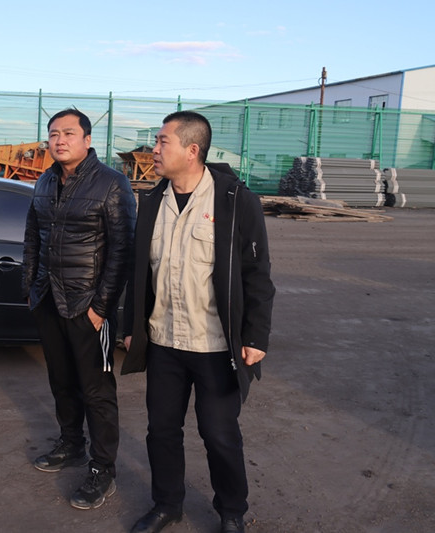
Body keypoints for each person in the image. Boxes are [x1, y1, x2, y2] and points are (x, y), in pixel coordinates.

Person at [122, 111, 275, 533]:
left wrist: (256, 335)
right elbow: (139, 272)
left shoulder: (235, 201)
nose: (154, 150)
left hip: (216, 345)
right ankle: (167, 504)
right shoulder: (152, 202)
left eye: (162, 142)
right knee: (161, 431)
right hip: (164, 343)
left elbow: (257, 275)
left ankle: (232, 512)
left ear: (192, 150)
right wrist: (132, 326)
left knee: (219, 434)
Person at [23, 108, 136, 510]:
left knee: (97, 391)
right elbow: (33, 237)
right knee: (61, 381)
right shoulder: (44, 181)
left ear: (88, 140)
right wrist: (31, 289)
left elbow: (122, 251)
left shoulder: (112, 183)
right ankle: (71, 443)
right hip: (49, 300)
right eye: (53, 134)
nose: (59, 140)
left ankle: (102, 469)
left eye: (68, 133)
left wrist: (101, 308)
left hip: (88, 306)